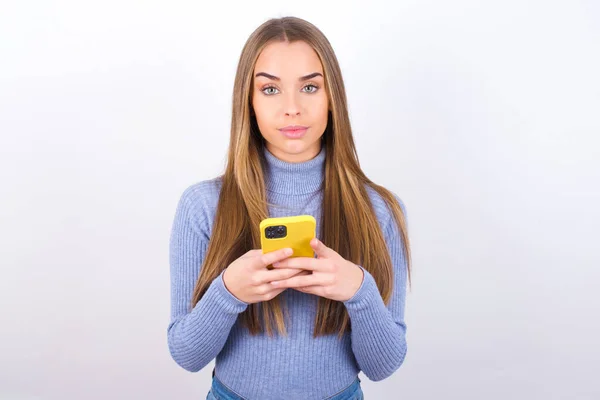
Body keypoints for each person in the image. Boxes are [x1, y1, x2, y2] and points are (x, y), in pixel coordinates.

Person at [168, 16, 412, 400]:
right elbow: (186, 354)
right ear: (247, 101)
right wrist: (228, 291)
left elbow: (383, 366)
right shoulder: (202, 206)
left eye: (310, 87)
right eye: (270, 89)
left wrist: (358, 290)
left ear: (332, 97)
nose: (292, 109)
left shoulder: (379, 209)